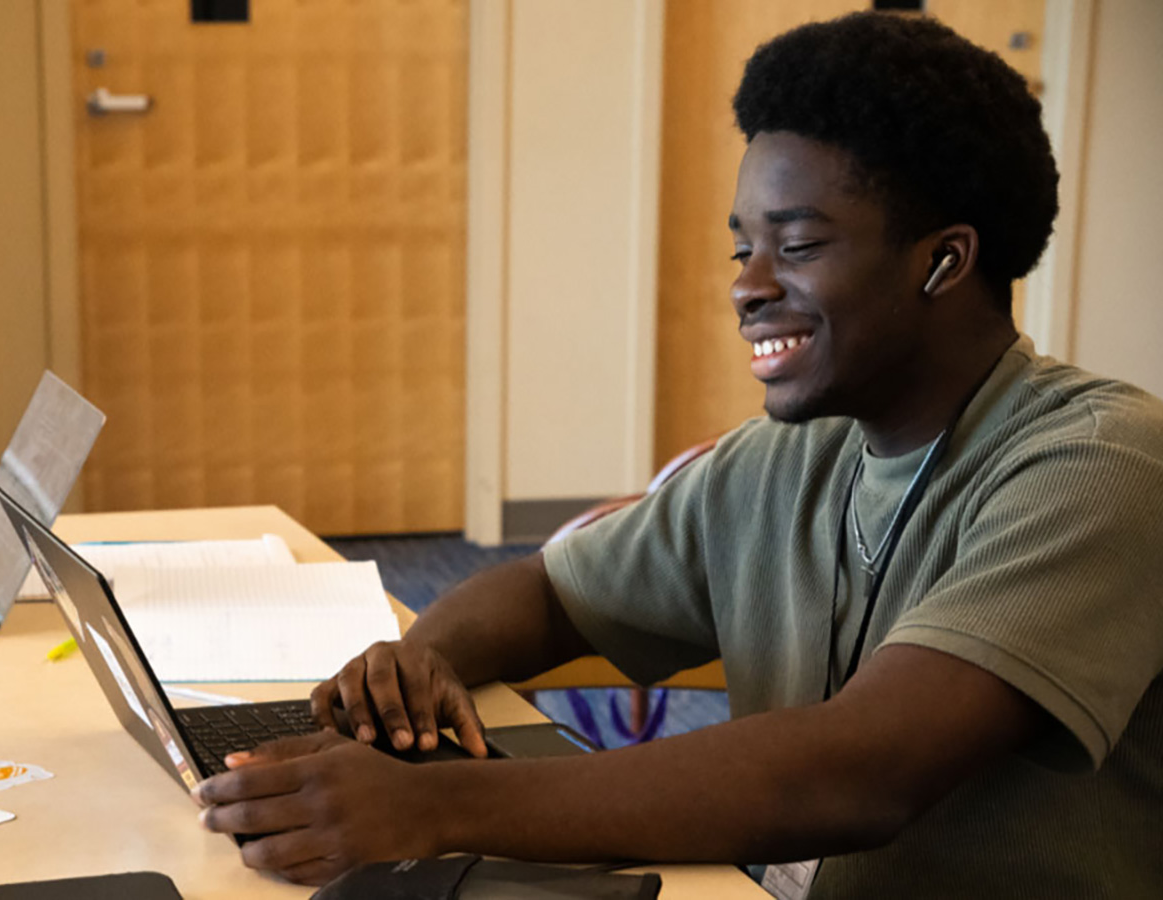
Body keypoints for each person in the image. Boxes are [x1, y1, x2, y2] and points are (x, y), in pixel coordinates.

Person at [193, 12, 1163, 897]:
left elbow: (862, 769)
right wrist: (419, 662)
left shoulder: (1099, 464)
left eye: (797, 244)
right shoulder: (783, 459)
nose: (747, 285)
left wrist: (431, 808)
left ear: (942, 262)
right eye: (741, 246)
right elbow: (547, 591)